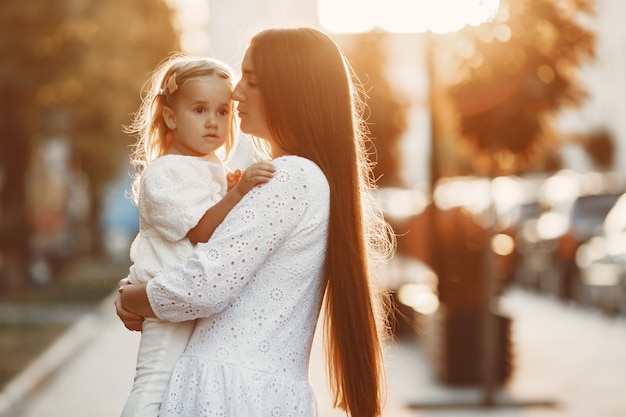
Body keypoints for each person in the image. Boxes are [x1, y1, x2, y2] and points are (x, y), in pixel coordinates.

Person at [115, 27, 393, 417]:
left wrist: (133, 298)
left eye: (252, 81)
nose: (236, 92)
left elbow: (203, 284)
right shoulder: (290, 177)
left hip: (232, 394)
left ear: (292, 92)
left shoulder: (291, 177)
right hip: (243, 391)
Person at [120, 54, 275, 417]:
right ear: (171, 116)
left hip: (194, 298)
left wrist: (229, 192)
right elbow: (204, 229)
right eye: (200, 109)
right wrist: (237, 195)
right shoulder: (165, 173)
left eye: (223, 111)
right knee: (153, 385)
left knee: (183, 390)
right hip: (166, 303)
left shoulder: (208, 168)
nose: (213, 122)